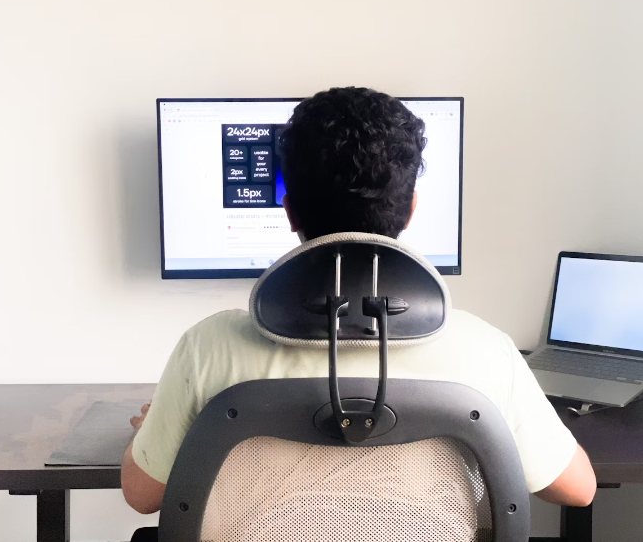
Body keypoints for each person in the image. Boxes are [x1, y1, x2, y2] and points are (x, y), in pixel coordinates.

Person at [121, 87, 596, 515]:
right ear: (410, 211)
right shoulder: (485, 351)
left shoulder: (208, 349)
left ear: (288, 212)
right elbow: (579, 490)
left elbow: (142, 496)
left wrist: (153, 434)